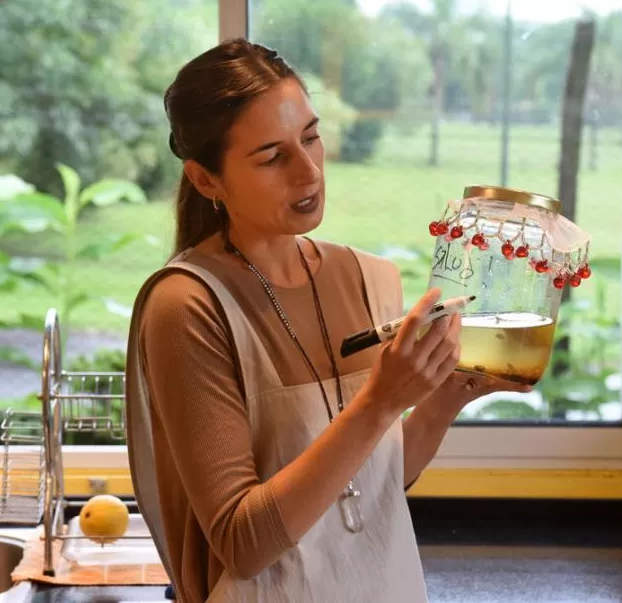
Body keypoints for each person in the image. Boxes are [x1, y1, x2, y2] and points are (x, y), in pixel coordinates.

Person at [124, 38, 529, 603]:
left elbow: (372, 488)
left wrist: (442, 400)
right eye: (272, 157)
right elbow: (243, 545)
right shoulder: (188, 305)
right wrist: (381, 401)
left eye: (311, 137)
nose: (309, 170)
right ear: (206, 180)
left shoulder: (370, 278)